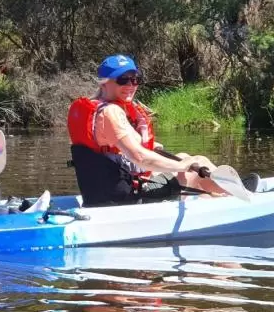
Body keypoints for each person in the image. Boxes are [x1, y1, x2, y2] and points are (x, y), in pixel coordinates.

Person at [67, 54, 235, 206]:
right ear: (104, 82)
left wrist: (159, 152)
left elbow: (108, 151)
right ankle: (237, 201)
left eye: (135, 79)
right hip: (127, 199)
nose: (131, 85)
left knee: (184, 157)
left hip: (102, 196)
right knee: (198, 165)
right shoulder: (111, 112)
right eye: (123, 80)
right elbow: (139, 157)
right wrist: (182, 166)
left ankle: (215, 200)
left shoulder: (94, 109)